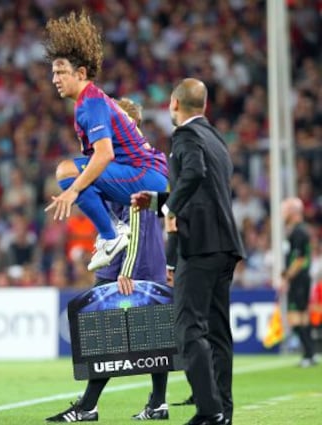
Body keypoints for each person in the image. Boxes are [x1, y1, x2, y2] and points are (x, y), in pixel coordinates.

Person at [45, 99, 170, 423]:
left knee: (141, 333)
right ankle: (145, 403)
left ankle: (105, 405)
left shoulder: (138, 165)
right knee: (118, 332)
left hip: (135, 260)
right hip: (122, 258)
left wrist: (128, 268)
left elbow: (142, 217)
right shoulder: (116, 163)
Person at [132, 78, 245, 425]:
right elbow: (202, 192)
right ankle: (223, 410)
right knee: (217, 332)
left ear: (174, 103)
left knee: (187, 330)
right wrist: (156, 201)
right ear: (205, 106)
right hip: (224, 244)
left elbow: (193, 174)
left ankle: (209, 412)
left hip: (199, 247)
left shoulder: (185, 136)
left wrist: (169, 210)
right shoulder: (216, 138)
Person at [43, 10, 168, 272]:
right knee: (77, 173)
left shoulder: (92, 101)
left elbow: (104, 155)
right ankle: (112, 234)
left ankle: (112, 236)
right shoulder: (84, 104)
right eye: (53, 73)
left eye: (61, 72)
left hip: (145, 175)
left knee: (67, 171)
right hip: (142, 176)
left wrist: (72, 191)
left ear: (80, 73)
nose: (55, 79)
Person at [280, 197, 317, 368]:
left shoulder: (297, 232)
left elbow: (299, 259)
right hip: (303, 278)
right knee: (302, 316)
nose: (283, 214)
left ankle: (308, 354)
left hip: (299, 279)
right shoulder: (301, 230)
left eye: (285, 210)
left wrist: (286, 277)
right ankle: (309, 354)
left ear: (293, 212)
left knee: (296, 317)